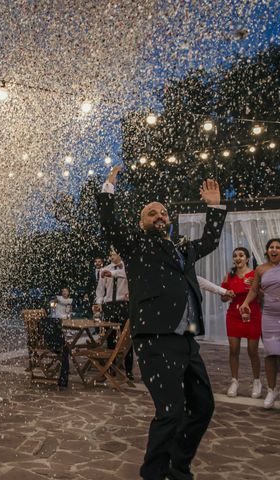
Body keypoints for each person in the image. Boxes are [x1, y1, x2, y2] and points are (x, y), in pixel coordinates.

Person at [98, 165, 226, 480]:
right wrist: (107, 190)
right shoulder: (135, 246)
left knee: (203, 407)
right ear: (141, 223)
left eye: (163, 213)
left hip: (187, 338)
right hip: (155, 338)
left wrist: (215, 207)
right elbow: (110, 224)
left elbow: (210, 241)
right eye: (152, 213)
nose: (159, 216)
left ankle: (177, 467)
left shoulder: (181, 247)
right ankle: (154, 474)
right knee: (170, 412)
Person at [240, 238, 280, 409]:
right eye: (271, 247)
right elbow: (255, 290)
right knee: (271, 354)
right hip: (269, 316)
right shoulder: (261, 269)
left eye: (278, 247)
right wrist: (246, 303)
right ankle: (272, 390)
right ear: (267, 250)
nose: (274, 249)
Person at [219, 247, 262, 399]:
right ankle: (234, 381)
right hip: (234, 315)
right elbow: (223, 298)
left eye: (241, 255)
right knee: (233, 349)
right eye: (235, 256)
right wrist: (226, 294)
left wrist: (254, 287)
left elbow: (262, 297)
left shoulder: (255, 274)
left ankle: (257, 381)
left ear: (247, 258)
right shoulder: (228, 277)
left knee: (252, 351)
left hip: (253, 315)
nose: (238, 258)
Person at [93, 249, 133, 379]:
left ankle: (128, 370)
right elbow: (100, 290)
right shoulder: (105, 269)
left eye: (113, 254)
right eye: (110, 254)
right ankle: (111, 368)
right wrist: (99, 302)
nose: (111, 256)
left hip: (124, 305)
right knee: (110, 337)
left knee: (126, 338)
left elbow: (130, 279)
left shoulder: (127, 268)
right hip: (109, 305)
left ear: (120, 254)